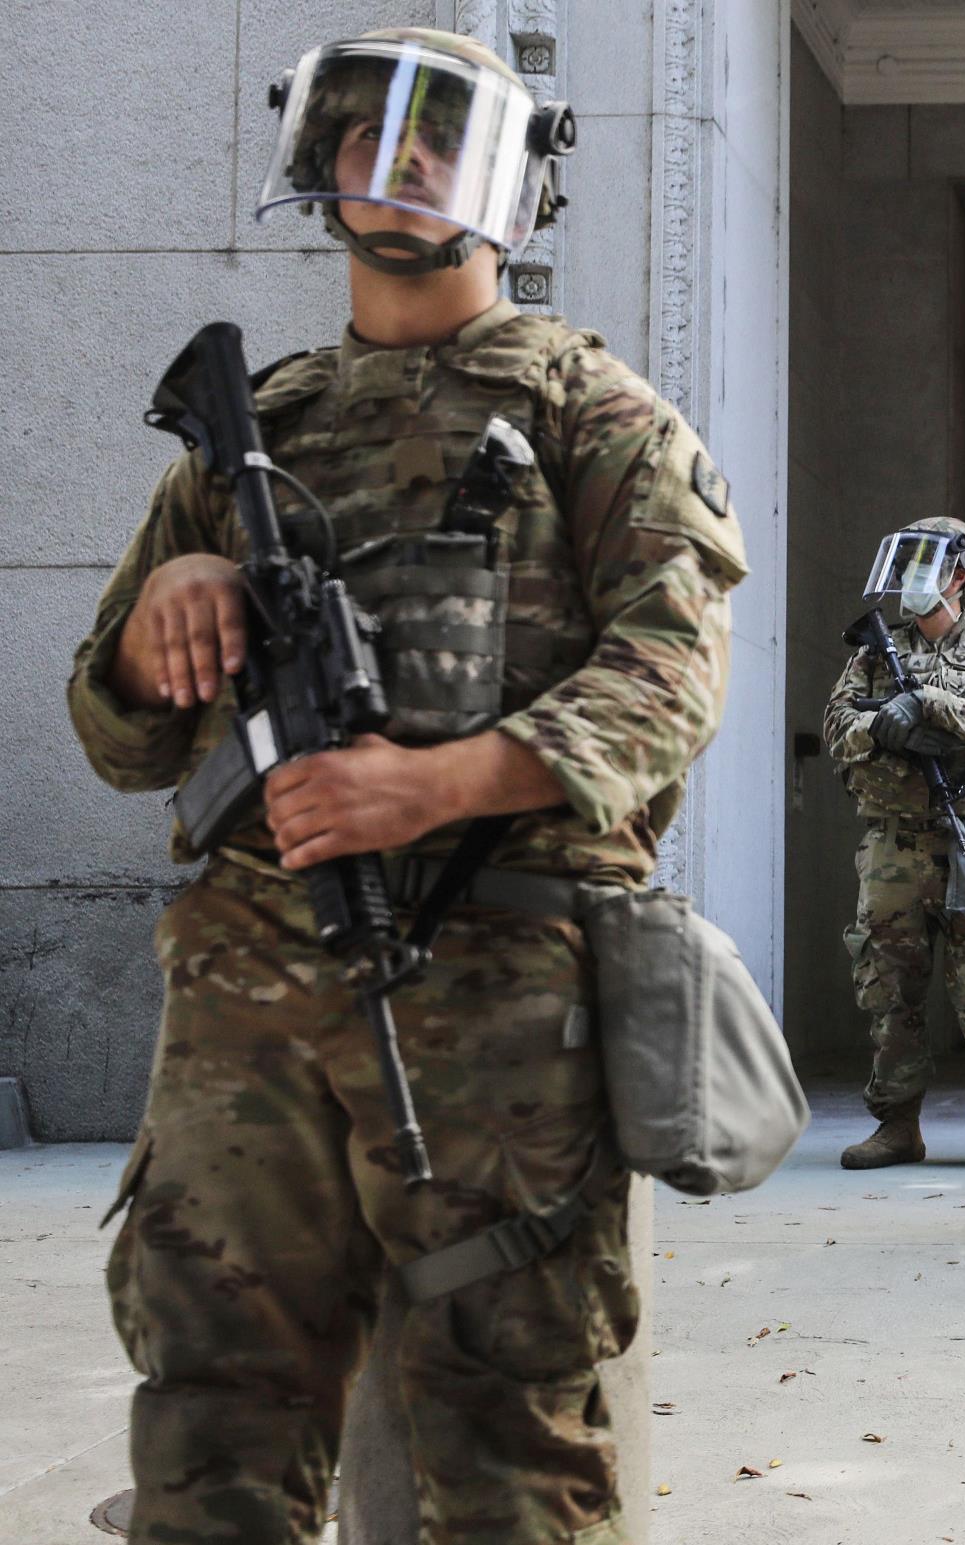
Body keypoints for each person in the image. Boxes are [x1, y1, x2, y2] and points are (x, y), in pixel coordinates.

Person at [68, 30, 745, 1541]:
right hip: (247, 997)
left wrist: (430, 787)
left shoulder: (597, 415)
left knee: (510, 1444)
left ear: (515, 182)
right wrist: (160, 615)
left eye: (442, 136)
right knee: (209, 1419)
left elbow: (669, 683)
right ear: (322, 162)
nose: (404, 160)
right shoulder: (255, 434)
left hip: (500, 993)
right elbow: (117, 739)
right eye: (370, 130)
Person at [822, 517, 965, 1172]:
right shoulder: (872, 652)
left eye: (932, 566)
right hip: (894, 845)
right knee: (888, 985)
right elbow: (838, 725)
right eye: (910, 566)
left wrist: (930, 707)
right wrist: (885, 730)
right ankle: (897, 1124)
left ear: (963, 576)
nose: (917, 582)